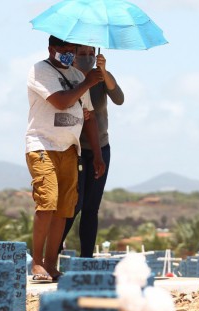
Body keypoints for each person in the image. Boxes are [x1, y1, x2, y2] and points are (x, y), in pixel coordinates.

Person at [25, 35, 104, 282]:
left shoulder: (78, 76)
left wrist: (98, 154)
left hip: (70, 148)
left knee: (64, 208)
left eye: (72, 49)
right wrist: (88, 83)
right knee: (47, 203)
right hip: (42, 145)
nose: (69, 53)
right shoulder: (40, 71)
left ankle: (52, 263)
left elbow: (88, 116)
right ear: (51, 49)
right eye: (64, 49)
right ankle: (37, 263)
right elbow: (60, 102)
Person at [60, 44, 123, 258]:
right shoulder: (68, 77)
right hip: (75, 148)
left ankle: (86, 257)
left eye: (90, 53)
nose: (86, 57)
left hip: (101, 147)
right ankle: (55, 250)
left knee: (91, 207)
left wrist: (103, 73)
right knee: (73, 204)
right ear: (73, 56)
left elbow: (119, 99)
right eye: (82, 53)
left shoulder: (101, 77)